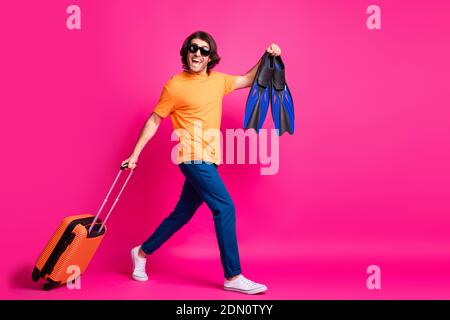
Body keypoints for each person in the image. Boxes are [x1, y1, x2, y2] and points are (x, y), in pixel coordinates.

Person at [122, 31, 281, 294]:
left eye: (204, 51)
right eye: (193, 49)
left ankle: (141, 251)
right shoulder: (174, 86)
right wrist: (135, 154)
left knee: (182, 213)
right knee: (225, 207)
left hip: (210, 158)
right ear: (186, 52)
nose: (198, 54)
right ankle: (233, 275)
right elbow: (154, 119)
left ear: (210, 57)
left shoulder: (218, 81)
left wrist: (268, 56)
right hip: (192, 156)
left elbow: (250, 78)